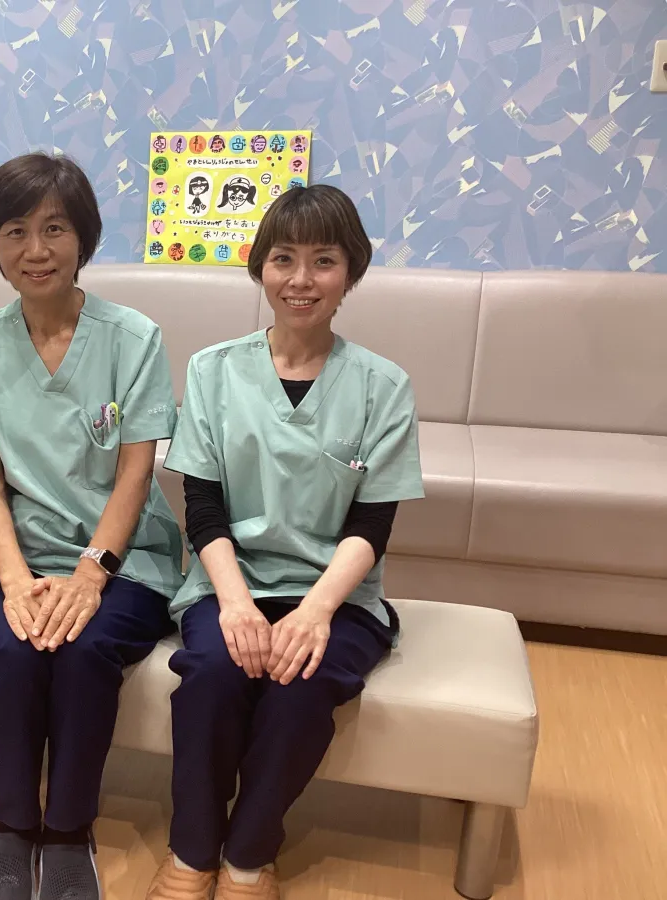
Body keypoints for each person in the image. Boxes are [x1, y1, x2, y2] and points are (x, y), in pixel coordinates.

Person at [147, 184, 424, 900]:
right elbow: (202, 507)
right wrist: (236, 604)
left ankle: (248, 857)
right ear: (260, 268)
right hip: (230, 581)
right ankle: (191, 852)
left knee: (301, 684)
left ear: (351, 271)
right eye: (283, 259)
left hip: (336, 593)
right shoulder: (213, 369)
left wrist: (315, 612)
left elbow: (372, 525)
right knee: (212, 673)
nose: (301, 279)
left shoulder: (383, 386)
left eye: (323, 260)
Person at [0, 152, 184, 900]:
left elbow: (135, 472)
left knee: (83, 655)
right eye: (15, 231)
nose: (36, 249)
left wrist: (91, 574)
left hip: (126, 557)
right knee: (13, 656)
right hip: (21, 554)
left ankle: (69, 829)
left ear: (83, 237)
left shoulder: (133, 337)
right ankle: (14, 825)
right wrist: (15, 580)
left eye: (55, 228)